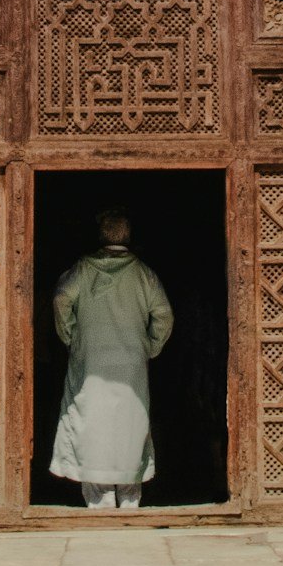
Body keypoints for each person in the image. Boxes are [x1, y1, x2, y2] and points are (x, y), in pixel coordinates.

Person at [48, 207, 174, 509]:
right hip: (131, 365)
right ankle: (129, 498)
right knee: (130, 423)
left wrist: (72, 337)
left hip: (90, 361)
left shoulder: (82, 270)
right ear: (128, 236)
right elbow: (164, 314)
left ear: (100, 235)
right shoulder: (144, 274)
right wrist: (150, 346)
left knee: (91, 422)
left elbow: (60, 299)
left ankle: (99, 500)